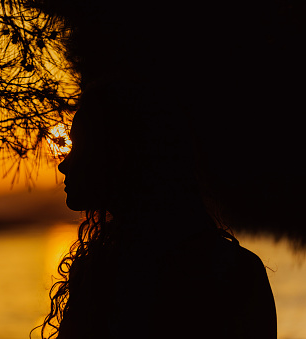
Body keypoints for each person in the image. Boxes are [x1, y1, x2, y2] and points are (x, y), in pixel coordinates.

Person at [38, 79, 277, 338]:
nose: (63, 165)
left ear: (117, 156)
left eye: (79, 147)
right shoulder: (237, 269)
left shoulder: (105, 276)